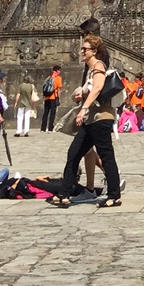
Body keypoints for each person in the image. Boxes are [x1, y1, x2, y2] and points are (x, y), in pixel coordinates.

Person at [51, 35, 122, 208]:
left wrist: (83, 109)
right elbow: (90, 91)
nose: (82, 51)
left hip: (100, 118)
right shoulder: (90, 69)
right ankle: (64, 193)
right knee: (74, 153)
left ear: (94, 51)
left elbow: (97, 88)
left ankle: (114, 195)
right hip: (90, 120)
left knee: (106, 155)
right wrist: (80, 95)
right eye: (82, 48)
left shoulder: (98, 66)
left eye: (85, 49)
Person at [41, 65, 62, 131]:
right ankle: (50, 128)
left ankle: (43, 128)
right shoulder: (58, 78)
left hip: (47, 97)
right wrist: (58, 98)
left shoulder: (49, 77)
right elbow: (58, 89)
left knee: (46, 113)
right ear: (57, 70)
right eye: (59, 70)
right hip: (53, 97)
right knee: (52, 113)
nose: (60, 71)